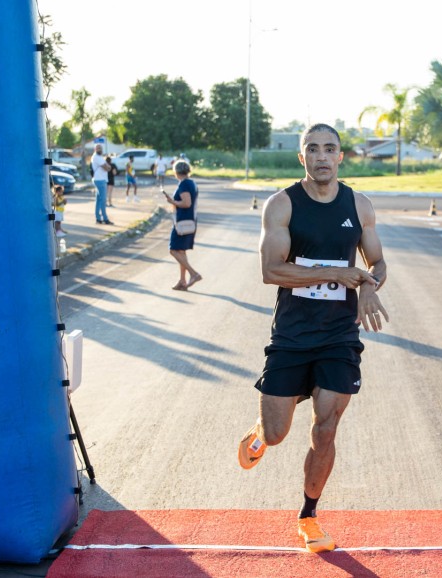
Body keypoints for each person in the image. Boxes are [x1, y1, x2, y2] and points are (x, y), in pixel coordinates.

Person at [237, 124, 389, 554]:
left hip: (339, 335)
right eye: (313, 149)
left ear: (340, 156)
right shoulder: (282, 205)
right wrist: (338, 272)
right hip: (292, 333)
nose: (322, 156)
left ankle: (308, 515)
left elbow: (377, 261)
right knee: (277, 432)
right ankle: (261, 430)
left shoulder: (359, 205)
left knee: (326, 427)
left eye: (330, 149)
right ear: (301, 157)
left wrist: (369, 285)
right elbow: (271, 270)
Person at [162, 160, 202, 291]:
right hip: (189, 221)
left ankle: (193, 274)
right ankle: (182, 281)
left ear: (176, 172)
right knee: (181, 251)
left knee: (173, 250)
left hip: (183, 223)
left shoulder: (184, 184)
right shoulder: (191, 183)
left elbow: (186, 203)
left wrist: (172, 201)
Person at [90, 144, 113, 225]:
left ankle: (98, 219)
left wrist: (107, 167)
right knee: (103, 200)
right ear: (95, 149)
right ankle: (105, 218)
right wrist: (107, 167)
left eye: (100, 148)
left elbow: (108, 167)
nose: (99, 149)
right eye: (98, 148)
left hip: (100, 179)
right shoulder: (96, 157)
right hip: (100, 180)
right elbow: (106, 167)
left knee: (99, 200)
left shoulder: (100, 157)